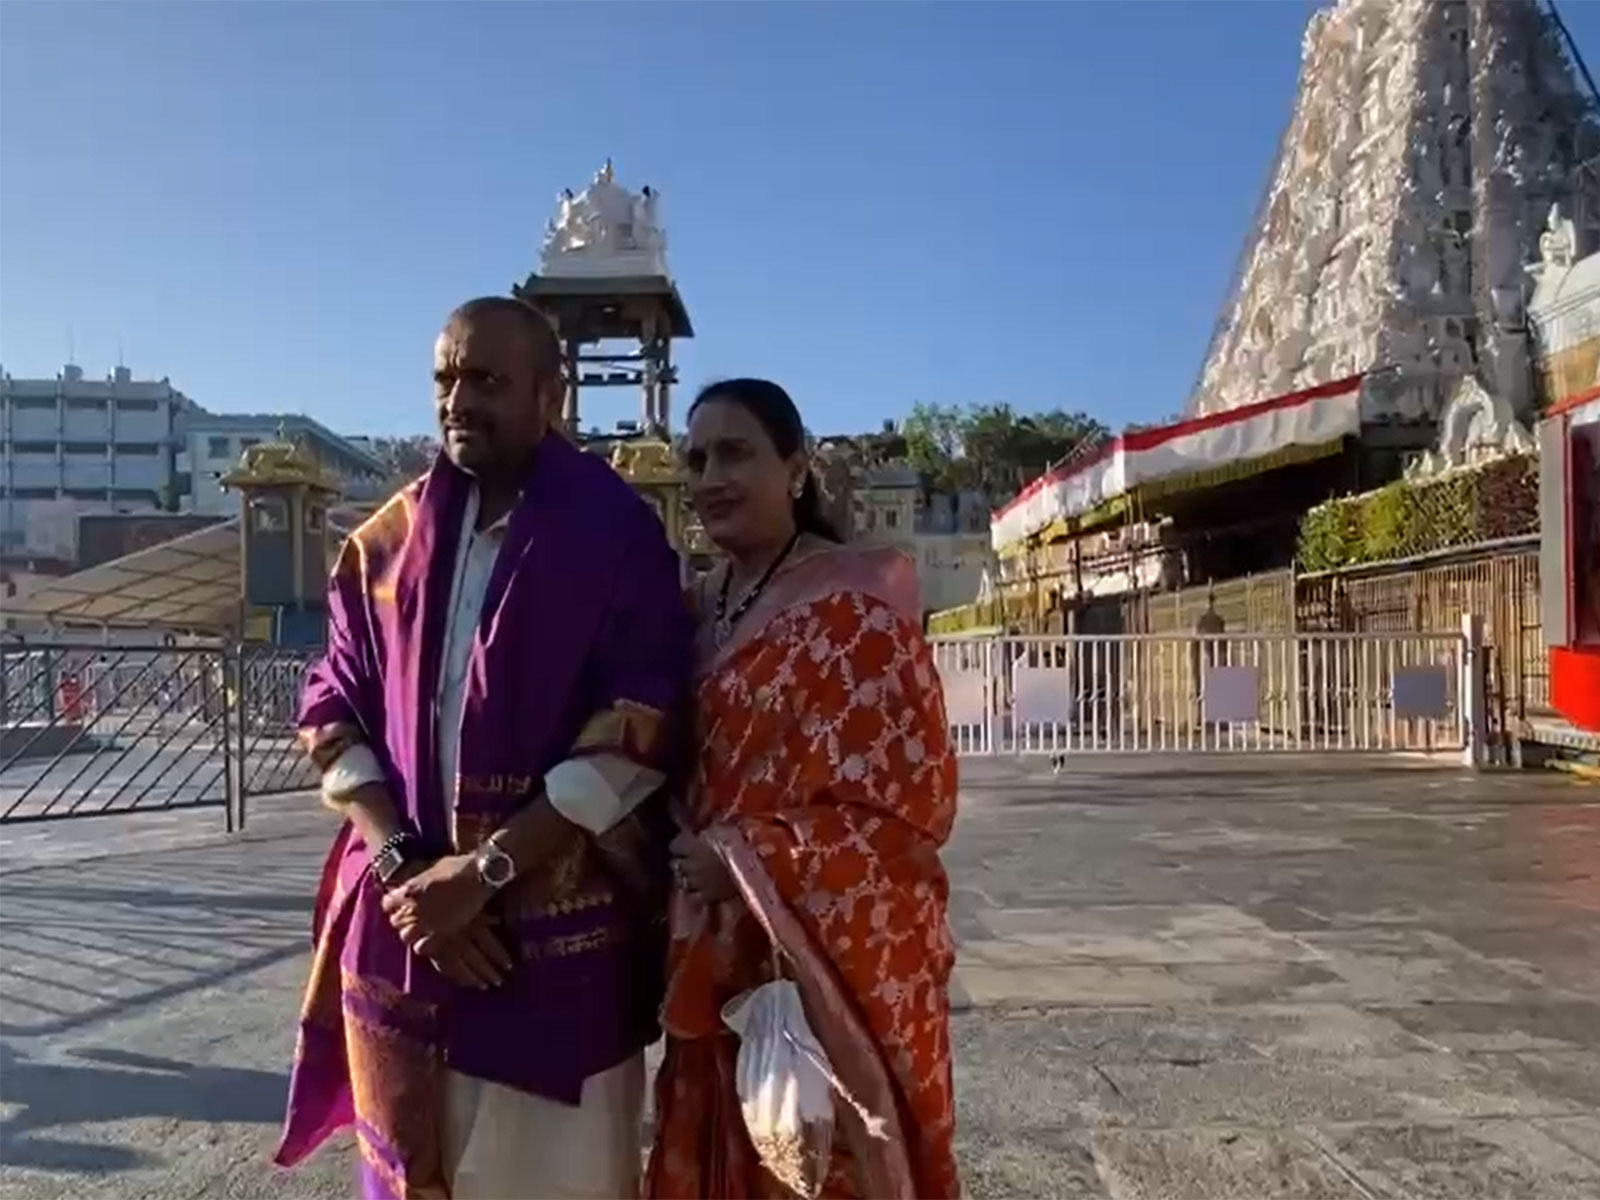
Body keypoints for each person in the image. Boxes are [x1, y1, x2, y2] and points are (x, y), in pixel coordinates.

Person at [273, 296, 691, 1199]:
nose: (459, 401)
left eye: (487, 380)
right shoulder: (381, 546)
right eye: (446, 379)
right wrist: (407, 872)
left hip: (551, 944)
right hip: (408, 928)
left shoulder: (618, 537)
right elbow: (332, 703)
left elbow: (640, 720)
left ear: (551, 395)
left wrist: (485, 875)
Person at [645, 378, 961, 1199]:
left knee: (817, 1161)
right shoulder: (694, 611)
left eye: (736, 454)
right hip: (715, 951)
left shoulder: (855, 609)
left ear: (795, 468)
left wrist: (747, 857)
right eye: (697, 459)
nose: (711, 477)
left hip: (821, 963)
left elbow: (907, 808)